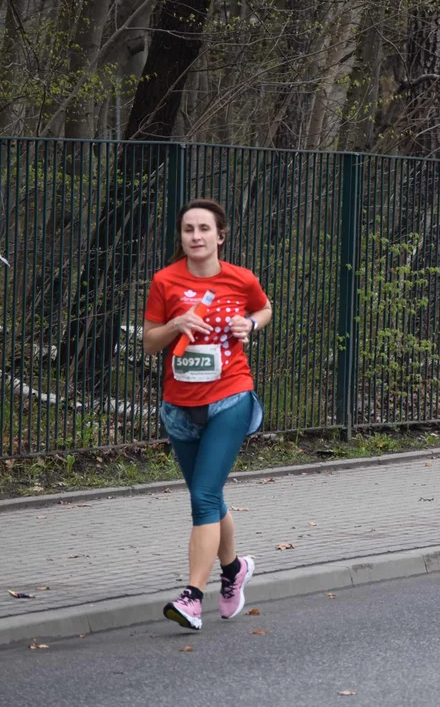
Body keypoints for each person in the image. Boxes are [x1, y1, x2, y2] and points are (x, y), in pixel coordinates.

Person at [143, 198, 273, 629]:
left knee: (201, 497)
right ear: (181, 238)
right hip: (179, 405)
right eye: (187, 229)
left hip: (230, 397)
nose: (195, 236)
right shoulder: (165, 281)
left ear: (220, 235)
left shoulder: (241, 279)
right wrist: (176, 326)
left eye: (203, 229)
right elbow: (148, 342)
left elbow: (264, 307)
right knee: (210, 496)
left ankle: (192, 597)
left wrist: (250, 325)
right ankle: (235, 570)